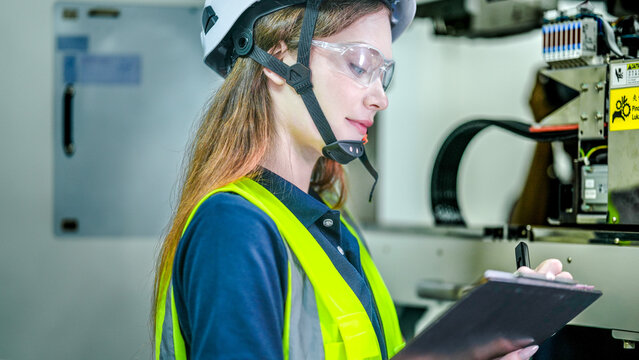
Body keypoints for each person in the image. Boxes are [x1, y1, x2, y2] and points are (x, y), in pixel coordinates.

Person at [152, 1, 572, 359]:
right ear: (278, 59)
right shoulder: (232, 228)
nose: (381, 97)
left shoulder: (335, 228)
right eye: (359, 64)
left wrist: (472, 341)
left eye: (383, 73)